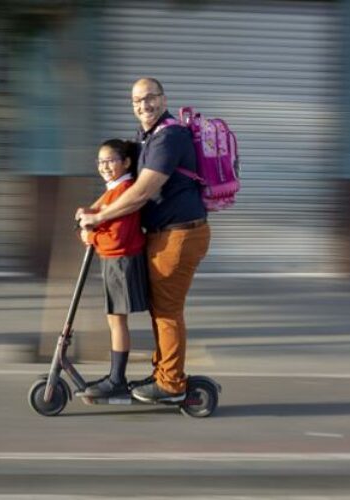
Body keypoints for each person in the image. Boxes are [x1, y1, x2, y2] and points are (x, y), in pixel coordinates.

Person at [77, 78, 210, 403]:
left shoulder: (169, 137)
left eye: (150, 98)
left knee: (167, 310)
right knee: (160, 308)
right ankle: (163, 372)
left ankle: (172, 384)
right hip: (166, 235)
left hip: (180, 235)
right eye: (137, 101)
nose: (143, 105)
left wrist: (99, 218)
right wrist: (95, 209)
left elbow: (142, 191)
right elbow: (120, 180)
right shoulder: (148, 138)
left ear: (163, 99)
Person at [78, 139, 149, 398]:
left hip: (121, 262)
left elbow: (116, 237)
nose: (104, 166)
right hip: (114, 261)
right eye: (100, 161)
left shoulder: (125, 189)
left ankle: (117, 379)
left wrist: (91, 236)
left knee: (117, 321)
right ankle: (115, 376)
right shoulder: (115, 189)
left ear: (126, 162)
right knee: (114, 321)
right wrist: (85, 215)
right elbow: (98, 211)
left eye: (110, 160)